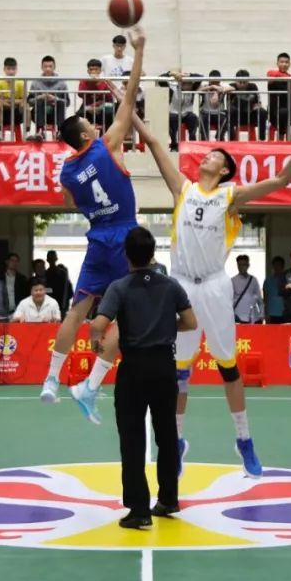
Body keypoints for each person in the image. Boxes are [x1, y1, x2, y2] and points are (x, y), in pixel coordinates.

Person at [139, 117, 291, 476]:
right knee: (179, 372)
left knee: (228, 367)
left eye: (215, 155)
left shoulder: (229, 196)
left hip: (215, 286)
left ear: (225, 169)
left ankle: (244, 440)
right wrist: (129, 102)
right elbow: (153, 142)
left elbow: (281, 180)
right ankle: (176, 441)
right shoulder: (183, 189)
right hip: (181, 285)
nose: (207, 156)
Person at [38, 27, 146, 417]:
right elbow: (130, 98)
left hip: (98, 237)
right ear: (86, 133)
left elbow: (69, 202)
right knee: (131, 315)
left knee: (77, 311)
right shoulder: (106, 145)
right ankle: (90, 385)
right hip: (125, 236)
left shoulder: (68, 172)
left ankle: (51, 378)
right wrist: (138, 51)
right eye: (89, 122)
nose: (94, 124)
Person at [89, 226, 197, 528]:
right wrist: (166, 326)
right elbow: (190, 322)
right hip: (164, 367)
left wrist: (95, 340)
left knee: (133, 438)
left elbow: (98, 324)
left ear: (126, 255)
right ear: (152, 254)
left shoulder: (119, 287)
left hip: (133, 369)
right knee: (167, 435)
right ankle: (169, 499)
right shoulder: (171, 286)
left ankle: (138, 510)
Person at [231, 255, 263, 324]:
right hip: (238, 317)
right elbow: (229, 300)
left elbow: (259, 300)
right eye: (239, 265)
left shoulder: (253, 280)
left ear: (248, 265)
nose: (241, 267)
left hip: (252, 317)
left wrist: (261, 314)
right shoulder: (233, 280)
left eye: (244, 265)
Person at [263, 256, 286, 323]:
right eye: (275, 265)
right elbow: (265, 298)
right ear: (273, 266)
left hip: (284, 313)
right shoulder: (268, 280)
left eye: (279, 265)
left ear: (282, 266)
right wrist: (266, 313)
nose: (277, 267)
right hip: (271, 313)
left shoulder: (287, 280)